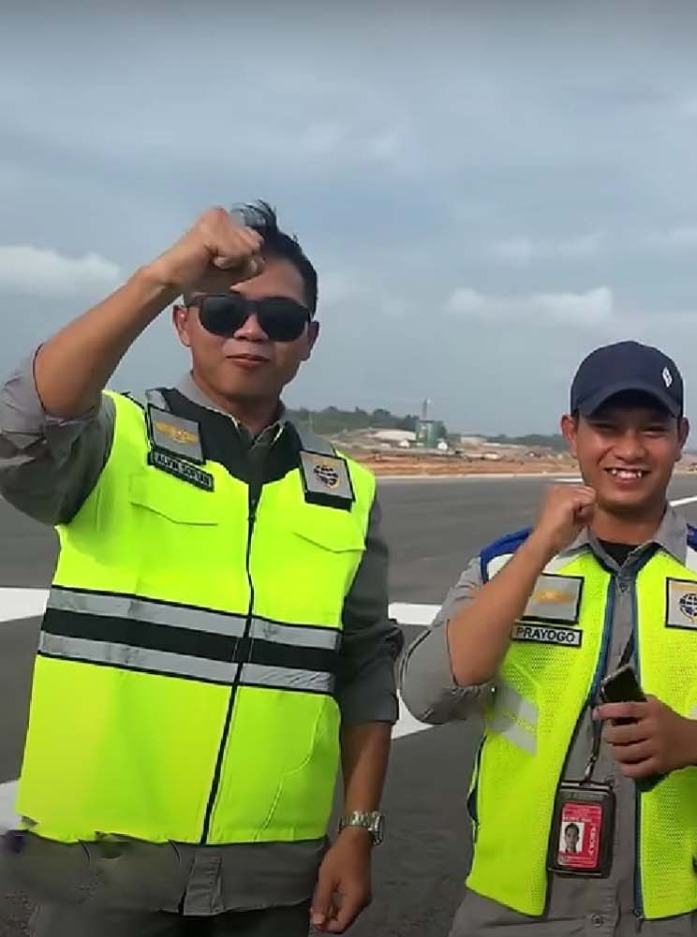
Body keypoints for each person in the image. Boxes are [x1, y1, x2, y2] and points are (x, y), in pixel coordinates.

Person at [0, 204, 403, 936]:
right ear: (183, 323)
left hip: (273, 873)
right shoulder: (114, 438)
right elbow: (19, 429)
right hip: (102, 864)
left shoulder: (348, 488)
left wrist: (359, 828)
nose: (251, 331)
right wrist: (160, 276)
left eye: (280, 318)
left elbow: (366, 661)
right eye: (223, 310)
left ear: (308, 340)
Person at [398, 340, 697, 936]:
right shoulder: (503, 565)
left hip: (669, 914)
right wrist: (540, 548)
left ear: (681, 436)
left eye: (652, 429)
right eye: (607, 427)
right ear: (571, 433)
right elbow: (426, 693)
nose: (630, 449)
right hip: (511, 912)